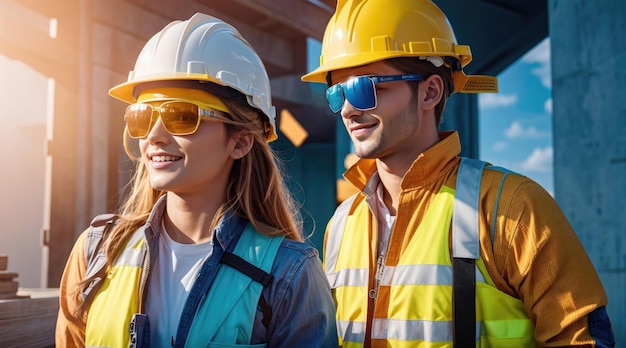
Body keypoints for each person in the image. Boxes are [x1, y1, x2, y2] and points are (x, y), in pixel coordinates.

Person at [301, 0, 615, 347]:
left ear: (430, 91)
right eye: (337, 92)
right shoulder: (342, 224)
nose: (348, 109)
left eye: (364, 89)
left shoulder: (509, 209)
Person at [56, 13, 338, 347]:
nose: (154, 136)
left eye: (181, 116)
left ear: (240, 141)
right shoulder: (96, 252)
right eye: (142, 116)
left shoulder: (289, 274)